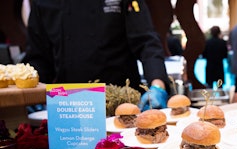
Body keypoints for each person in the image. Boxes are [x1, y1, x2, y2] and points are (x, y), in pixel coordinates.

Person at [23, 0, 170, 111]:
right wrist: (31, 96)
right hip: (69, 107)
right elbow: (39, 57)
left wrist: (158, 86)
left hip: (124, 104)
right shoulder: (42, 2)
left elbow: (147, 42)